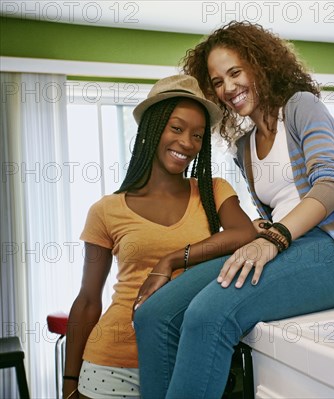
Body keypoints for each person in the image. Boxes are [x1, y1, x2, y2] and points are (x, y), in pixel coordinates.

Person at [134, 21, 334, 398]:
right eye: (217, 82)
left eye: (235, 72)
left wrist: (275, 238)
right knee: (153, 315)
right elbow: (280, 206)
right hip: (288, 248)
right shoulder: (244, 148)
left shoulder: (301, 107)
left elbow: (331, 187)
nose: (228, 88)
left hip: (332, 252)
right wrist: (267, 228)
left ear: (261, 65)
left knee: (207, 315)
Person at [62, 75, 256, 399]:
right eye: (176, 128)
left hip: (184, 360)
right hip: (112, 363)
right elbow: (87, 300)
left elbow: (245, 234)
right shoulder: (106, 210)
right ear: (153, 129)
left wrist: (172, 259)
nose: (187, 143)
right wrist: (69, 383)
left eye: (197, 135)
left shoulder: (213, 191)